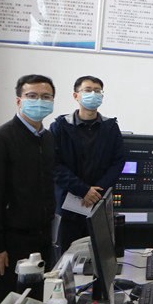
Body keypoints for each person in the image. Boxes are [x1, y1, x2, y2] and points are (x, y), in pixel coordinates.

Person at [0, 74, 57, 304]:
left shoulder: (47, 138)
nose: (39, 101)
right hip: (10, 244)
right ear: (19, 100)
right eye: (32, 96)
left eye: (46, 97)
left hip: (41, 239)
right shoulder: (0, 138)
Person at [50, 75, 125, 254]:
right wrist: (83, 190)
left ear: (102, 96)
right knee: (67, 257)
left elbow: (118, 162)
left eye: (97, 91)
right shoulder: (60, 127)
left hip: (98, 204)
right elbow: (54, 164)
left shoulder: (110, 127)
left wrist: (96, 192)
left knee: (99, 256)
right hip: (68, 206)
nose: (93, 94)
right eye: (88, 90)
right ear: (76, 95)